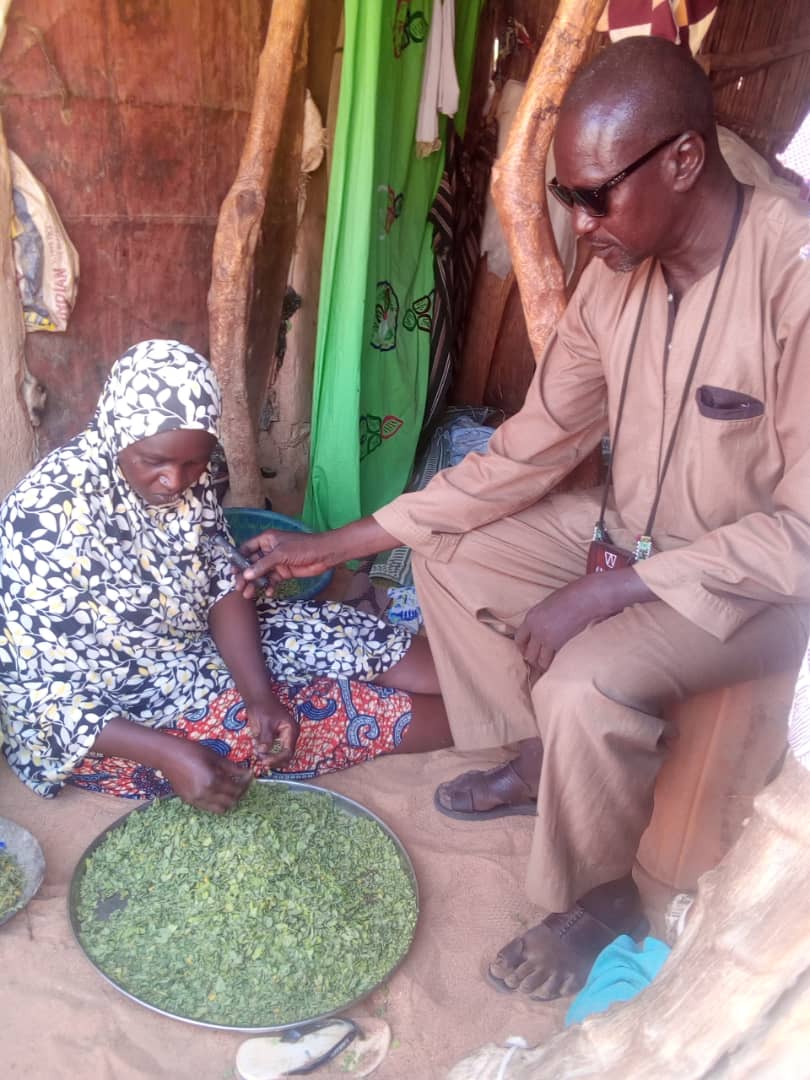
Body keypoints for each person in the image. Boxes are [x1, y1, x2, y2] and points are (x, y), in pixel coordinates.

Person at [236, 37, 810, 1000]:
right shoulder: (618, 271)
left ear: (682, 160)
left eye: (596, 196)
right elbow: (528, 451)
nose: (579, 224)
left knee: (586, 680)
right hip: (626, 534)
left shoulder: (792, 275)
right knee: (449, 553)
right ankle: (545, 763)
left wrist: (607, 594)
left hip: (747, 583)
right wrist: (336, 546)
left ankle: (598, 902)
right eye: (568, 197)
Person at [0, 340, 451, 813]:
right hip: (114, 722)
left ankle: (497, 687)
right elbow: (38, 700)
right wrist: (169, 754)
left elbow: (220, 581)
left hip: (193, 647)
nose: (175, 482)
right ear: (116, 431)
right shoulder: (45, 517)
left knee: (347, 636)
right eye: (154, 462)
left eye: (192, 461)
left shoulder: (192, 479)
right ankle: (501, 719)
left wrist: (258, 694)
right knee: (307, 720)